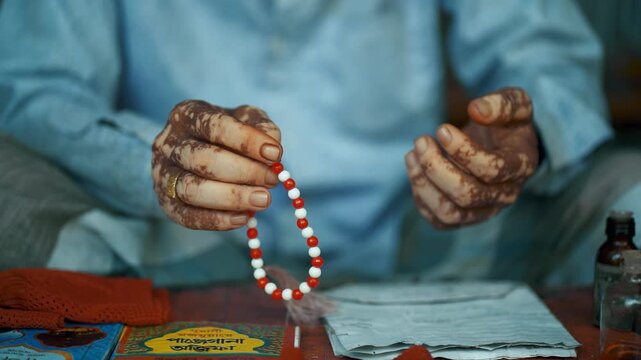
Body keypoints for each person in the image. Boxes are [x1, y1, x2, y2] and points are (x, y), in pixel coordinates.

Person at [0, 0, 639, 287]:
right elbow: (37, 87)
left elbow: (543, 50)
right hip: (162, 239)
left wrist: (525, 137)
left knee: (630, 196)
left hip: (424, 240)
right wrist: (144, 157)